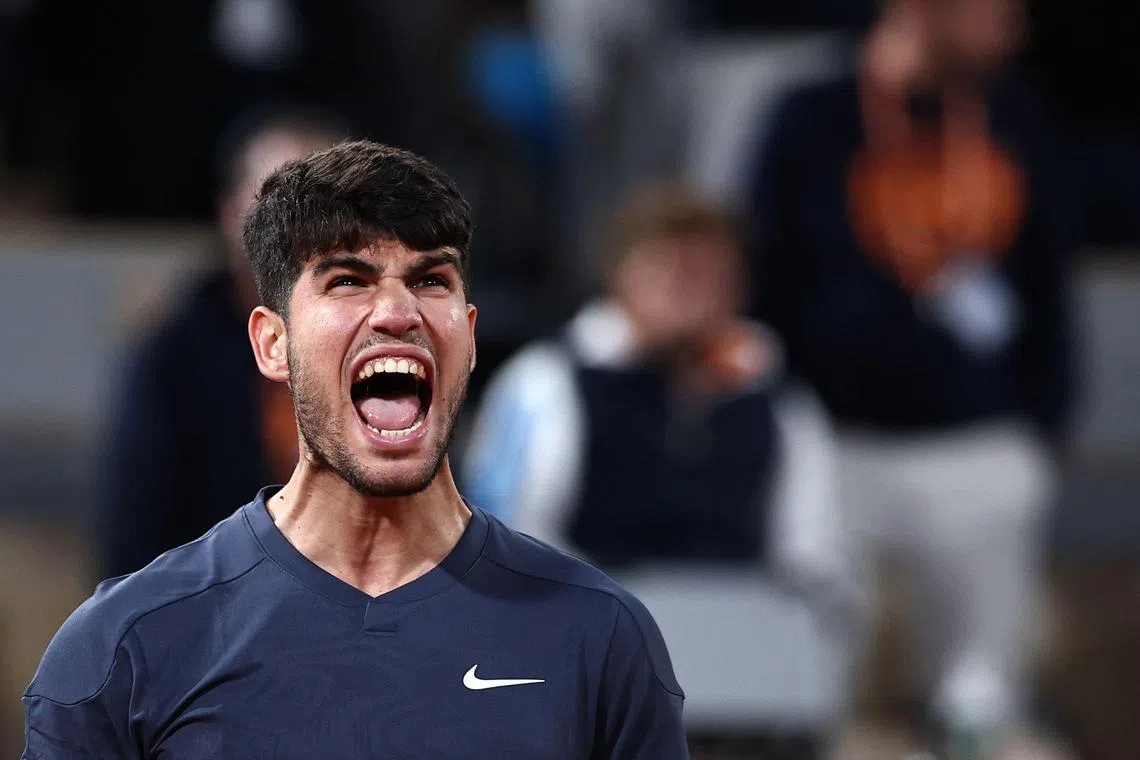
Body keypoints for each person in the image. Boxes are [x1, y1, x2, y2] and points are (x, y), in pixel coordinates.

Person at [24, 141, 690, 759]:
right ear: (271, 344)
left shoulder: (600, 638)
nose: (398, 312)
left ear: (470, 334)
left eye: (432, 280)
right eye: (348, 280)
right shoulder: (124, 647)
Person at [748, 0, 1076, 756]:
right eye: (991, 13)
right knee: (825, 687)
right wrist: (779, 417)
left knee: (985, 705)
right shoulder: (810, 116)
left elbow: (1048, 282)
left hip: (980, 436)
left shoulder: (1015, 115)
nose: (1014, 32)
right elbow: (766, 273)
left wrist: (1040, 418)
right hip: (836, 435)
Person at [462, 183, 844, 606]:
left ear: (739, 288)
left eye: (706, 273)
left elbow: (813, 555)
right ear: (619, 276)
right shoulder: (545, 385)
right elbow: (506, 536)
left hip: (735, 631)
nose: (684, 289)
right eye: (666, 269)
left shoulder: (778, 402)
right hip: (583, 623)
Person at [94, 106, 345, 579]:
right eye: (281, 203)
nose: (309, 229)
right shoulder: (171, 358)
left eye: (332, 207)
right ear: (231, 212)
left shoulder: (389, 353)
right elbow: (131, 552)